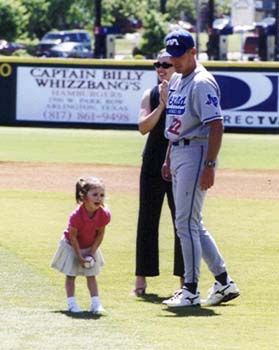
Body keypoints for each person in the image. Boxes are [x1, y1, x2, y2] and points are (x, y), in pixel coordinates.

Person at [160, 29, 240, 307]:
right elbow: (175, 123)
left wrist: (209, 165)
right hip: (180, 149)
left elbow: (216, 124)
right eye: (172, 56)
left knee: (185, 223)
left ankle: (191, 289)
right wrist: (169, 156)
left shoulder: (202, 82)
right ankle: (223, 282)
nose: (175, 61)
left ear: (193, 52)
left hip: (197, 151)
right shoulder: (180, 79)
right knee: (193, 223)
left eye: (180, 55)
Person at [133, 50, 184, 296]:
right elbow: (143, 127)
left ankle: (186, 283)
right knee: (147, 221)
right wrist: (162, 105)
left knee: (181, 222)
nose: (161, 68)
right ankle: (141, 281)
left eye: (166, 64)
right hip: (153, 162)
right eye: (158, 64)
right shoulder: (150, 94)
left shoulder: (187, 92)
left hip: (181, 163)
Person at [51, 176, 111, 313]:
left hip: (90, 245)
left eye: (102, 195)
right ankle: (72, 304)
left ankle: (96, 304)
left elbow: (100, 234)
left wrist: (91, 252)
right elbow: (72, 237)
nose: (99, 198)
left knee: (91, 275)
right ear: (84, 197)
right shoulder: (76, 216)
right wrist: (79, 256)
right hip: (71, 245)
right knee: (71, 275)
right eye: (94, 195)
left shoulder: (104, 214)